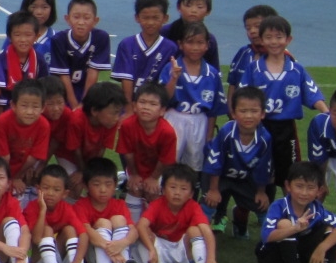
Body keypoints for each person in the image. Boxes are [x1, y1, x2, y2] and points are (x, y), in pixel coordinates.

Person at [234, 14, 326, 193]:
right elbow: (242, 95)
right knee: (259, 170)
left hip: (286, 131)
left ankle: (291, 212)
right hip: (260, 128)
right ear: (261, 40)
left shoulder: (296, 69)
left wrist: (326, 113)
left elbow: (312, 93)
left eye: (279, 37)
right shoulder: (254, 69)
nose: (274, 42)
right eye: (268, 37)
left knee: (290, 173)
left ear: (288, 39)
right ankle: (253, 212)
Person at [256, 161, 336, 263]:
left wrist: (322, 247)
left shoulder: (317, 208)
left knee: (329, 227)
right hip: (273, 260)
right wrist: (294, 228)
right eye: (299, 186)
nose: (304, 193)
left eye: (310, 188)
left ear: (319, 190)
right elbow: (266, 236)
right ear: (288, 186)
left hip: (302, 258)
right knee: (285, 224)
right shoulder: (279, 206)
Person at [132, 163, 223, 263]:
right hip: (160, 251)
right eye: (173, 187)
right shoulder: (157, 204)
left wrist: (211, 259)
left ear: (191, 193)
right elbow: (141, 225)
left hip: (183, 252)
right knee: (143, 230)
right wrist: (152, 249)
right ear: (163, 189)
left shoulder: (193, 206)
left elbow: (207, 231)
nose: (177, 193)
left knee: (195, 230)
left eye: (183, 189)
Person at [203, 85, 274, 239]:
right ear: (234, 113)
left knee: (262, 205)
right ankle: (200, 236)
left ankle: (271, 240)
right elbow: (215, 162)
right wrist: (214, 189)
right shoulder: (226, 132)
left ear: (262, 114)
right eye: (243, 111)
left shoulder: (265, 138)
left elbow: (263, 168)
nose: (248, 116)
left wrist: (261, 192)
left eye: (254, 111)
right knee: (208, 201)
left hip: (244, 179)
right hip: (220, 177)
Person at [162, 20, 222, 172]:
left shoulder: (212, 74)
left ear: (207, 45)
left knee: (195, 165)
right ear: (180, 44)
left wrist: (209, 136)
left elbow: (213, 110)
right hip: (174, 118)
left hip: (199, 121)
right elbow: (164, 98)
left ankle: (192, 193)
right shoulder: (171, 68)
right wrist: (174, 78)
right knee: (168, 161)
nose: (195, 47)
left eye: (200, 42)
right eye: (190, 42)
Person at [26, 164, 92, 263]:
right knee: (47, 229)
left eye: (56, 190)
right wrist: (43, 211)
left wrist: (77, 262)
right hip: (38, 261)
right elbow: (36, 239)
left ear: (65, 193)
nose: (50, 193)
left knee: (70, 229)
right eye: (46, 188)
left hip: (56, 255)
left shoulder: (66, 208)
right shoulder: (32, 207)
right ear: (37, 189)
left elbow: (83, 234)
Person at [119, 82, 178, 221]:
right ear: (134, 105)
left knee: (153, 192)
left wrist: (153, 178)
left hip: (159, 171)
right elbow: (127, 153)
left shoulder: (167, 132)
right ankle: (132, 227)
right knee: (135, 188)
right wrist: (133, 174)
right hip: (136, 168)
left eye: (152, 104)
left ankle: (153, 228)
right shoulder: (127, 125)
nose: (146, 107)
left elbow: (165, 160)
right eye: (142, 102)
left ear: (162, 110)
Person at [306, 87, 336, 252]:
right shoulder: (319, 123)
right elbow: (319, 158)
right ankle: (310, 238)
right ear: (330, 111)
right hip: (323, 161)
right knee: (313, 195)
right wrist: (321, 184)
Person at [79, 156, 138, 263]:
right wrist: (110, 249)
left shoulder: (119, 205)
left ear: (116, 184)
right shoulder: (81, 206)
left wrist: (122, 243)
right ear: (85, 185)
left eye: (108, 184)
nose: (103, 189)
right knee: (103, 223)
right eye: (96, 184)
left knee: (119, 219)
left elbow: (134, 231)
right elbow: (86, 231)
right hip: (94, 257)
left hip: (116, 249)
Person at [0, 78, 49, 194]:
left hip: (21, 167)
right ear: (13, 105)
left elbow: (33, 158)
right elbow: (3, 157)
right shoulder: (3, 121)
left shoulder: (44, 125)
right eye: (24, 106)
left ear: (43, 108)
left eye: (35, 107)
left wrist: (17, 176)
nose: (29, 112)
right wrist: (9, 179)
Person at [47, 0, 111, 109]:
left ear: (95, 21)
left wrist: (84, 104)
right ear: (67, 19)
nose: (81, 22)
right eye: (76, 17)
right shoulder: (59, 40)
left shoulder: (101, 37)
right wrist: (74, 105)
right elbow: (63, 75)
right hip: (64, 91)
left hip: (89, 90)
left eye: (86, 18)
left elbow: (93, 71)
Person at [113, 0, 179, 103]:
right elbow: (126, 80)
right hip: (131, 104)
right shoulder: (127, 44)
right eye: (145, 17)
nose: (150, 22)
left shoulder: (171, 48)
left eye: (155, 18)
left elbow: (168, 82)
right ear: (137, 18)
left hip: (156, 107)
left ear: (165, 18)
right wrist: (129, 108)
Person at [60, 82, 126, 193]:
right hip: (68, 156)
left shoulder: (110, 122)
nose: (117, 118)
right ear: (95, 111)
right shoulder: (76, 120)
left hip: (90, 156)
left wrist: (91, 170)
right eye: (114, 113)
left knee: (97, 185)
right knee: (76, 186)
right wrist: (82, 171)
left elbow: (102, 149)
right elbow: (76, 150)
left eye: (119, 113)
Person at [226, 4, 277, 104]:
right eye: (248, 28)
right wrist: (231, 111)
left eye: (257, 26)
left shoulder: (284, 57)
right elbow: (233, 84)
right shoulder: (243, 53)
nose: (252, 31)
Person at [0, 11, 45, 110]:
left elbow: (43, 89)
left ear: (36, 36)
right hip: (7, 112)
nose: (23, 39)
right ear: (9, 37)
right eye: (17, 35)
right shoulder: (1, 59)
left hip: (32, 112)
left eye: (28, 35)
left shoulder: (39, 60)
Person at [163, 0, 219, 68]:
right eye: (188, 5)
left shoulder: (210, 40)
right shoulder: (165, 32)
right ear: (179, 7)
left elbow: (214, 71)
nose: (193, 10)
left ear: (208, 11)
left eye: (199, 7)